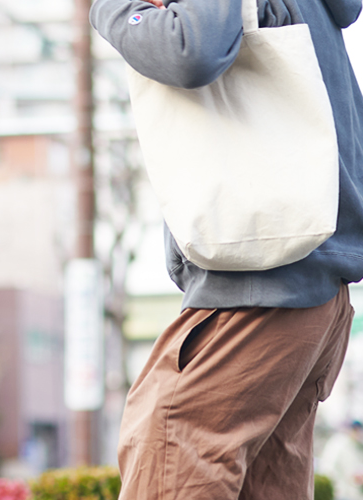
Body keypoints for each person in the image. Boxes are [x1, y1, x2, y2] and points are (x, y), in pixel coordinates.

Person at [90, 0, 363, 497]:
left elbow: (187, 48)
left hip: (260, 285)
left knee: (170, 447)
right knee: (267, 484)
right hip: (317, 288)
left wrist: (111, 9)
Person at [319, 421, 363, 500]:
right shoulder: (342, 443)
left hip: (341, 490)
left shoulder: (350, 443)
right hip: (339, 490)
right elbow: (351, 473)